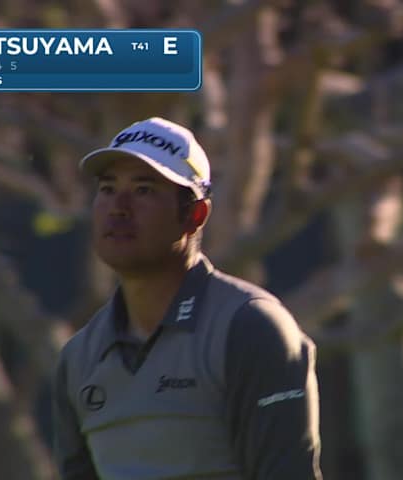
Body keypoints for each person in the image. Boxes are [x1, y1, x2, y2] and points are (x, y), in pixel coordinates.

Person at [51, 117, 323, 480]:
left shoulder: (253, 328)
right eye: (108, 188)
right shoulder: (78, 358)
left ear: (195, 214)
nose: (118, 207)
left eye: (144, 190)